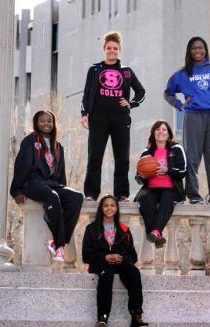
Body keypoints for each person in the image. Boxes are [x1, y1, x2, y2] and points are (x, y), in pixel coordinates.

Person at [10, 110, 84, 262]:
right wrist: (16, 190)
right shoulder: (30, 140)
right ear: (36, 123)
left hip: (51, 183)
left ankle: (58, 241)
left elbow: (61, 172)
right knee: (52, 196)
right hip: (32, 182)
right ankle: (59, 246)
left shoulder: (58, 146)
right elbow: (22, 164)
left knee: (76, 197)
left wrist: (64, 190)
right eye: (42, 121)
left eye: (49, 121)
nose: (46, 124)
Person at [81, 31, 146, 202]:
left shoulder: (126, 72)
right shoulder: (94, 69)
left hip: (120, 119)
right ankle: (91, 194)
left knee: (122, 158)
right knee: (95, 156)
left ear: (119, 51)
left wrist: (131, 103)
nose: (112, 51)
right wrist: (84, 114)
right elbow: (87, 94)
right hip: (98, 118)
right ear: (104, 49)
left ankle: (122, 194)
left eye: (115, 48)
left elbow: (141, 92)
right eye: (109, 48)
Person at [164, 36, 210, 206]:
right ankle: (193, 195)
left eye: (201, 48)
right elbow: (168, 92)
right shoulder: (182, 74)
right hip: (193, 116)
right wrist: (180, 105)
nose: (198, 51)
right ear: (189, 52)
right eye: (194, 48)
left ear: (205, 49)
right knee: (191, 158)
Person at [82, 195, 149, 327]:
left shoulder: (124, 229)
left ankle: (136, 318)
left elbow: (133, 256)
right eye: (106, 205)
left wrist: (122, 259)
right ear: (101, 208)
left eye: (112, 205)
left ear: (117, 208)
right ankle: (102, 319)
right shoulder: (92, 229)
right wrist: (105, 257)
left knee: (134, 272)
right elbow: (86, 256)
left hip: (121, 263)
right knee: (107, 275)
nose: (109, 208)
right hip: (100, 264)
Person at [134, 120, 186, 248]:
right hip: (151, 188)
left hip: (171, 188)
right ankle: (157, 235)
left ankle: (155, 232)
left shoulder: (176, 149)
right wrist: (145, 175)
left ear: (168, 134)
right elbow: (138, 177)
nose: (160, 131)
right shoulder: (146, 153)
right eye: (157, 129)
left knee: (167, 199)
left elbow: (183, 170)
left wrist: (167, 170)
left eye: (164, 129)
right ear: (153, 133)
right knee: (147, 201)